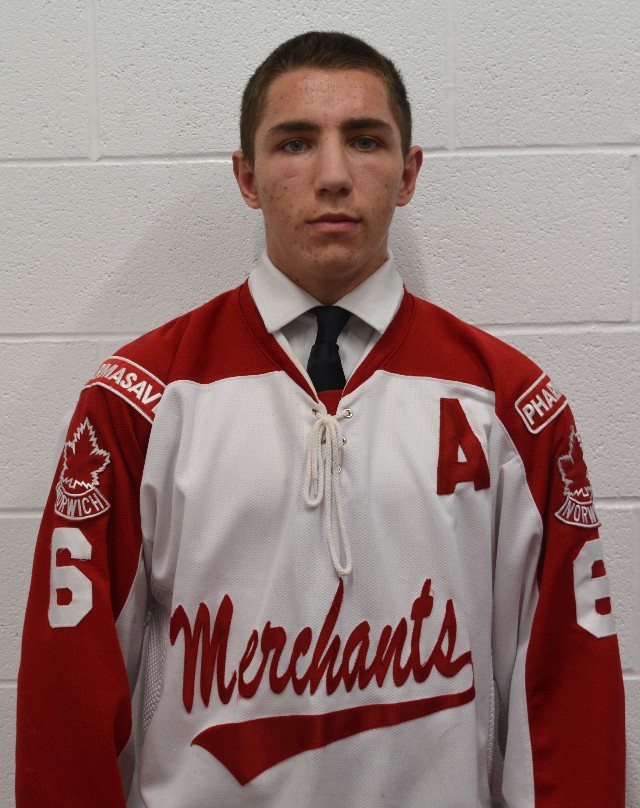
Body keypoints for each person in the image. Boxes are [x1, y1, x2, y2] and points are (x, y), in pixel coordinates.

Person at [16, 31, 625, 808]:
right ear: (247, 176)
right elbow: (67, 698)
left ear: (408, 174)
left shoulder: (511, 405)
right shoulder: (137, 400)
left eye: (365, 141)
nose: (333, 175)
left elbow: (567, 695)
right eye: (295, 143)